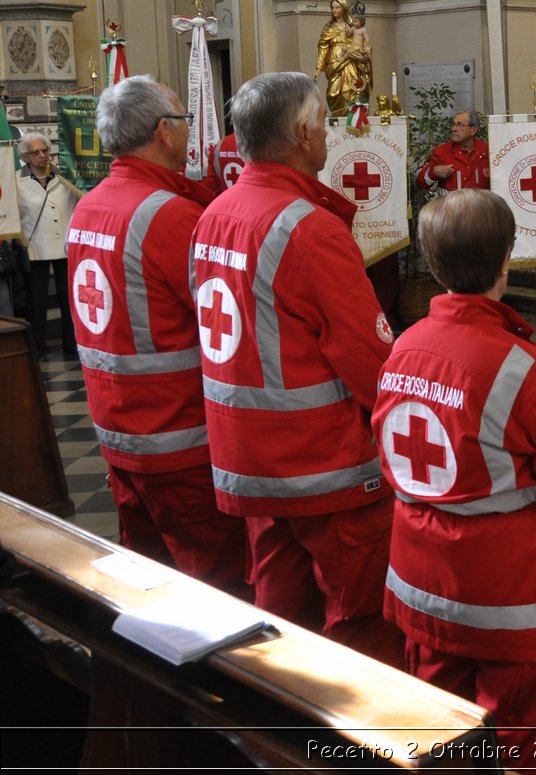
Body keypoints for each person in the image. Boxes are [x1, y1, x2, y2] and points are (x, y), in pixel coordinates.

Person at [373, 188, 536, 765]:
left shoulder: (403, 347)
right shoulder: (527, 369)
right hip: (515, 601)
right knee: (524, 750)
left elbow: (390, 458)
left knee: (438, 743)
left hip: (422, 586)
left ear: (431, 263)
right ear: (507, 259)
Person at [191, 71, 402, 664]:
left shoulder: (215, 213)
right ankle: (352, 754)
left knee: (278, 618)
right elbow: (368, 357)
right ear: (304, 132)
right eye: (326, 121)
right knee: (359, 629)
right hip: (323, 466)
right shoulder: (308, 227)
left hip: (246, 458)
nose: (329, 132)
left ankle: (280, 740)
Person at [66, 77, 248, 595]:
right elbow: (227, 323)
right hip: (179, 437)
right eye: (184, 122)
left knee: (145, 586)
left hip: (116, 427)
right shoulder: (169, 215)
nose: (190, 133)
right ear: (164, 132)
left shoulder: (90, 206)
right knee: (215, 591)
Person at [16, 132, 80, 360]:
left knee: (68, 299)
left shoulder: (66, 177)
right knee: (37, 301)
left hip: (65, 245)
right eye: (35, 152)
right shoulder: (16, 180)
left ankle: (72, 344)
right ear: (25, 156)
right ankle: (38, 346)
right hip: (36, 247)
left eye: (45, 150)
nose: (42, 155)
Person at [314, 0, 365, 118]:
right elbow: (323, 48)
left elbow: (361, 42)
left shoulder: (352, 26)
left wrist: (354, 51)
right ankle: (338, 118)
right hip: (334, 62)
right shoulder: (328, 27)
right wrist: (319, 68)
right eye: (333, 8)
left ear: (344, 8)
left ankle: (352, 120)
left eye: (337, 7)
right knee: (333, 93)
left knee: (351, 89)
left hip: (349, 61)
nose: (334, 10)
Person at [417, 110, 490, 192]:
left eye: (460, 125)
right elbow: (421, 183)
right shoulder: (441, 152)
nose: (453, 129)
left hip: (483, 203)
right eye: (454, 124)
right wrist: (433, 171)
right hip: (451, 204)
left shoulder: (488, 151)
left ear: (473, 130)